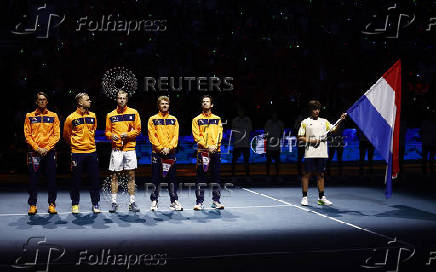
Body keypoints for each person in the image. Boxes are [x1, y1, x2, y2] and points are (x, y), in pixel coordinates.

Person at [297, 100, 346, 206]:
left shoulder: (324, 121)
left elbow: (334, 129)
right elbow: (300, 137)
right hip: (310, 152)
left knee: (321, 175)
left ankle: (321, 198)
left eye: (318, 109)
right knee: (306, 174)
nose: (317, 111)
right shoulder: (305, 122)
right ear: (310, 110)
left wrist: (340, 120)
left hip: (322, 152)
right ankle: (305, 197)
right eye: (314, 109)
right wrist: (312, 140)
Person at [63, 93, 101, 214]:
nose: (90, 101)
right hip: (77, 153)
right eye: (87, 100)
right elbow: (66, 135)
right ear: (80, 102)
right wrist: (75, 145)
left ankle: (95, 203)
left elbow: (93, 130)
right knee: (76, 180)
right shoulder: (71, 118)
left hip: (91, 152)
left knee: (94, 179)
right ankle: (75, 204)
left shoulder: (93, 115)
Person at [24, 92, 60, 215]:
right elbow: (27, 135)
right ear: (36, 102)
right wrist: (37, 148)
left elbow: (56, 135)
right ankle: (33, 205)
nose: (42, 102)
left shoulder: (54, 116)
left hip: (49, 152)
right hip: (34, 152)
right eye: (40, 100)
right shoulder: (29, 116)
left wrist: (47, 148)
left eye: (44, 100)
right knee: (33, 180)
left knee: (51, 180)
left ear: (47, 101)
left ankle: (52, 204)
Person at [105, 90, 141, 213]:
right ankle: (114, 203)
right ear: (116, 99)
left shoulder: (134, 112)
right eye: (119, 98)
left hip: (130, 148)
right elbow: (107, 132)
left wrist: (128, 135)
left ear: (127, 100)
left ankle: (132, 202)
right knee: (114, 176)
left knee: (131, 175)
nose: (121, 100)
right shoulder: (110, 115)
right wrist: (111, 136)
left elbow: (138, 130)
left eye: (123, 98)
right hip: (116, 149)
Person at [148, 96, 183, 211]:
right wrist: (161, 148)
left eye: (166, 104)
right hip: (157, 153)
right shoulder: (152, 119)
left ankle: (173, 201)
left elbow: (175, 136)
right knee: (155, 178)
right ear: (158, 105)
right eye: (162, 103)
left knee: (172, 178)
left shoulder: (174, 119)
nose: (164, 105)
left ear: (169, 105)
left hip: (170, 153)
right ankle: (154, 201)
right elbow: (152, 136)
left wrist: (169, 147)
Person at [192, 95, 224, 210]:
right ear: (202, 105)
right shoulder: (196, 120)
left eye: (207, 102)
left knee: (216, 176)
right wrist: (207, 146)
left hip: (216, 151)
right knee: (200, 177)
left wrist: (215, 146)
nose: (205, 103)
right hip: (202, 152)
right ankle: (199, 202)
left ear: (212, 105)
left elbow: (220, 134)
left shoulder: (217, 119)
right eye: (203, 102)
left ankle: (216, 201)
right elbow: (197, 137)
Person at [231, 108, 252, 176]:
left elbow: (250, 130)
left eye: (242, 112)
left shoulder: (248, 120)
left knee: (246, 161)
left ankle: (247, 176)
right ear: (238, 112)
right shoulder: (234, 120)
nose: (241, 113)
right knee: (234, 161)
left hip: (245, 144)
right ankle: (233, 176)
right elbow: (233, 132)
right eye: (240, 112)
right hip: (237, 144)